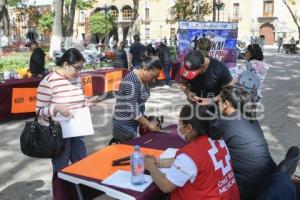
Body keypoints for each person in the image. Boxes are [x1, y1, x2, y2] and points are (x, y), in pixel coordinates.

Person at [36, 48, 100, 199]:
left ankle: (81, 195)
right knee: (61, 168)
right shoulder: (48, 81)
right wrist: (56, 108)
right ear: (65, 64)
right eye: (77, 67)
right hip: (58, 134)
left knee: (82, 164)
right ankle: (62, 196)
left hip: (77, 129)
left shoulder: (76, 78)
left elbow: (77, 99)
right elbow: (39, 111)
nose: (79, 72)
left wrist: (87, 102)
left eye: (81, 68)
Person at [144, 105, 240, 200]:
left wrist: (151, 167)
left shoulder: (190, 155)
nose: (179, 127)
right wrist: (158, 162)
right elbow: (194, 163)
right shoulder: (218, 140)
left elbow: (165, 186)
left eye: (180, 123)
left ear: (188, 128)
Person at [214, 86, 276, 200]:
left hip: (248, 188)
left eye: (219, 100)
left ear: (226, 104)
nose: (217, 102)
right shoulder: (250, 117)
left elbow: (207, 143)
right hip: (270, 177)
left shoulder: (225, 123)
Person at [112, 56, 162, 142]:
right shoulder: (132, 83)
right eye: (154, 76)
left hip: (132, 123)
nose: (154, 80)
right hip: (124, 127)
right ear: (145, 69)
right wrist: (149, 124)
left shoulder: (142, 79)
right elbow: (133, 110)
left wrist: (143, 120)